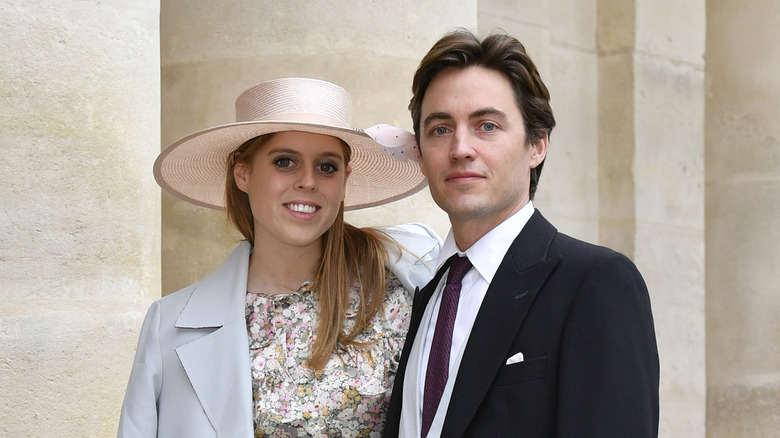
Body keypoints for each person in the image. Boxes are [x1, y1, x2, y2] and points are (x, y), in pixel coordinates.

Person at [118, 77, 442, 437]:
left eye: (327, 166)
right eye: (285, 161)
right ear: (243, 172)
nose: (308, 181)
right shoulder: (169, 324)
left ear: (345, 178)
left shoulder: (398, 290)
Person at [384, 29, 660, 437]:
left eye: (487, 125)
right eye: (440, 129)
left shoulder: (596, 282)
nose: (460, 147)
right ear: (421, 157)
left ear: (537, 145)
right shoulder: (424, 294)